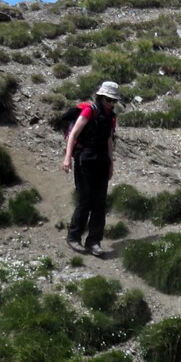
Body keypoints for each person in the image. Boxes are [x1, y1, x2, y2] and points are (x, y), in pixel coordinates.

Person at [62, 80, 121, 256]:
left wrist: (111, 164)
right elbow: (73, 135)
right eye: (108, 99)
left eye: (113, 100)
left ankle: (94, 242)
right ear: (101, 97)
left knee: (100, 203)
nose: (111, 103)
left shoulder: (111, 117)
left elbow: (110, 141)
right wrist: (67, 158)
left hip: (102, 162)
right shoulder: (90, 110)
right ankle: (73, 237)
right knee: (85, 199)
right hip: (84, 160)